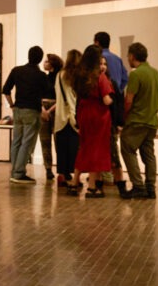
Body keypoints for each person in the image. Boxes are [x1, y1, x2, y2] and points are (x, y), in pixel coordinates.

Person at [67, 45, 114, 198]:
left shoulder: (79, 75)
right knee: (97, 150)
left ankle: (74, 183)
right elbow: (107, 100)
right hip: (98, 115)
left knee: (84, 148)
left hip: (83, 112)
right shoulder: (100, 77)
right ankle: (92, 187)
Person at [119, 42, 158, 199]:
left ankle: (138, 186)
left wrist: (123, 118)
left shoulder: (136, 74)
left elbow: (129, 100)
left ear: (132, 56)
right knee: (148, 154)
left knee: (127, 148)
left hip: (137, 120)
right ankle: (151, 188)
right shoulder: (156, 73)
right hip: (152, 121)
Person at [2, 46, 47, 184]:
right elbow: (46, 94)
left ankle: (15, 170)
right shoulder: (41, 76)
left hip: (18, 111)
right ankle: (19, 173)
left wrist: (12, 105)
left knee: (16, 141)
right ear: (39, 59)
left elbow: (6, 90)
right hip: (32, 111)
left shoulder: (17, 71)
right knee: (27, 143)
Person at [93, 32, 128, 194]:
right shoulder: (117, 60)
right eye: (100, 63)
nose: (103, 66)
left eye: (104, 64)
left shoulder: (106, 81)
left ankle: (120, 185)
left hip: (108, 121)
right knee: (100, 154)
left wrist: (114, 94)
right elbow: (125, 80)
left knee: (113, 154)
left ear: (96, 42)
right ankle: (99, 185)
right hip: (101, 120)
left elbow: (113, 101)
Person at [53, 49, 81, 188]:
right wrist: (75, 116)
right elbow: (72, 99)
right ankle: (73, 178)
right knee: (73, 148)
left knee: (61, 148)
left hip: (60, 117)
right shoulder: (75, 76)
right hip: (72, 116)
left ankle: (62, 175)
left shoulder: (59, 75)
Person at [38, 53, 63, 181]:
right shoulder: (43, 77)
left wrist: (49, 110)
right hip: (43, 108)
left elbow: (61, 98)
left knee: (58, 140)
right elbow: (37, 95)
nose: (44, 63)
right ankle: (48, 168)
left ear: (53, 63)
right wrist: (42, 109)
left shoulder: (60, 78)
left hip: (56, 108)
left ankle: (62, 169)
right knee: (45, 140)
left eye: (47, 61)